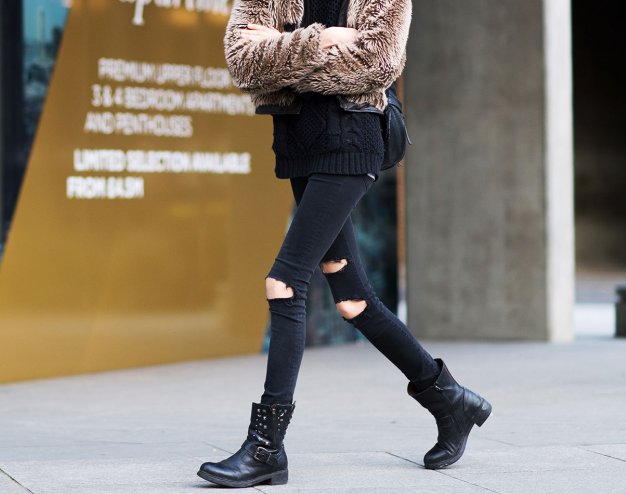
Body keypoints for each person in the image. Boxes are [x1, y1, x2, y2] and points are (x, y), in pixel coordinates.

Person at [196, 0, 492, 488]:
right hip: (298, 145)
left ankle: (266, 447)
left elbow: (377, 63)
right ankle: (450, 400)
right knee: (353, 301)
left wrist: (284, 50)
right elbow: (243, 63)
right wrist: (323, 41)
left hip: (353, 141)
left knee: (284, 282)